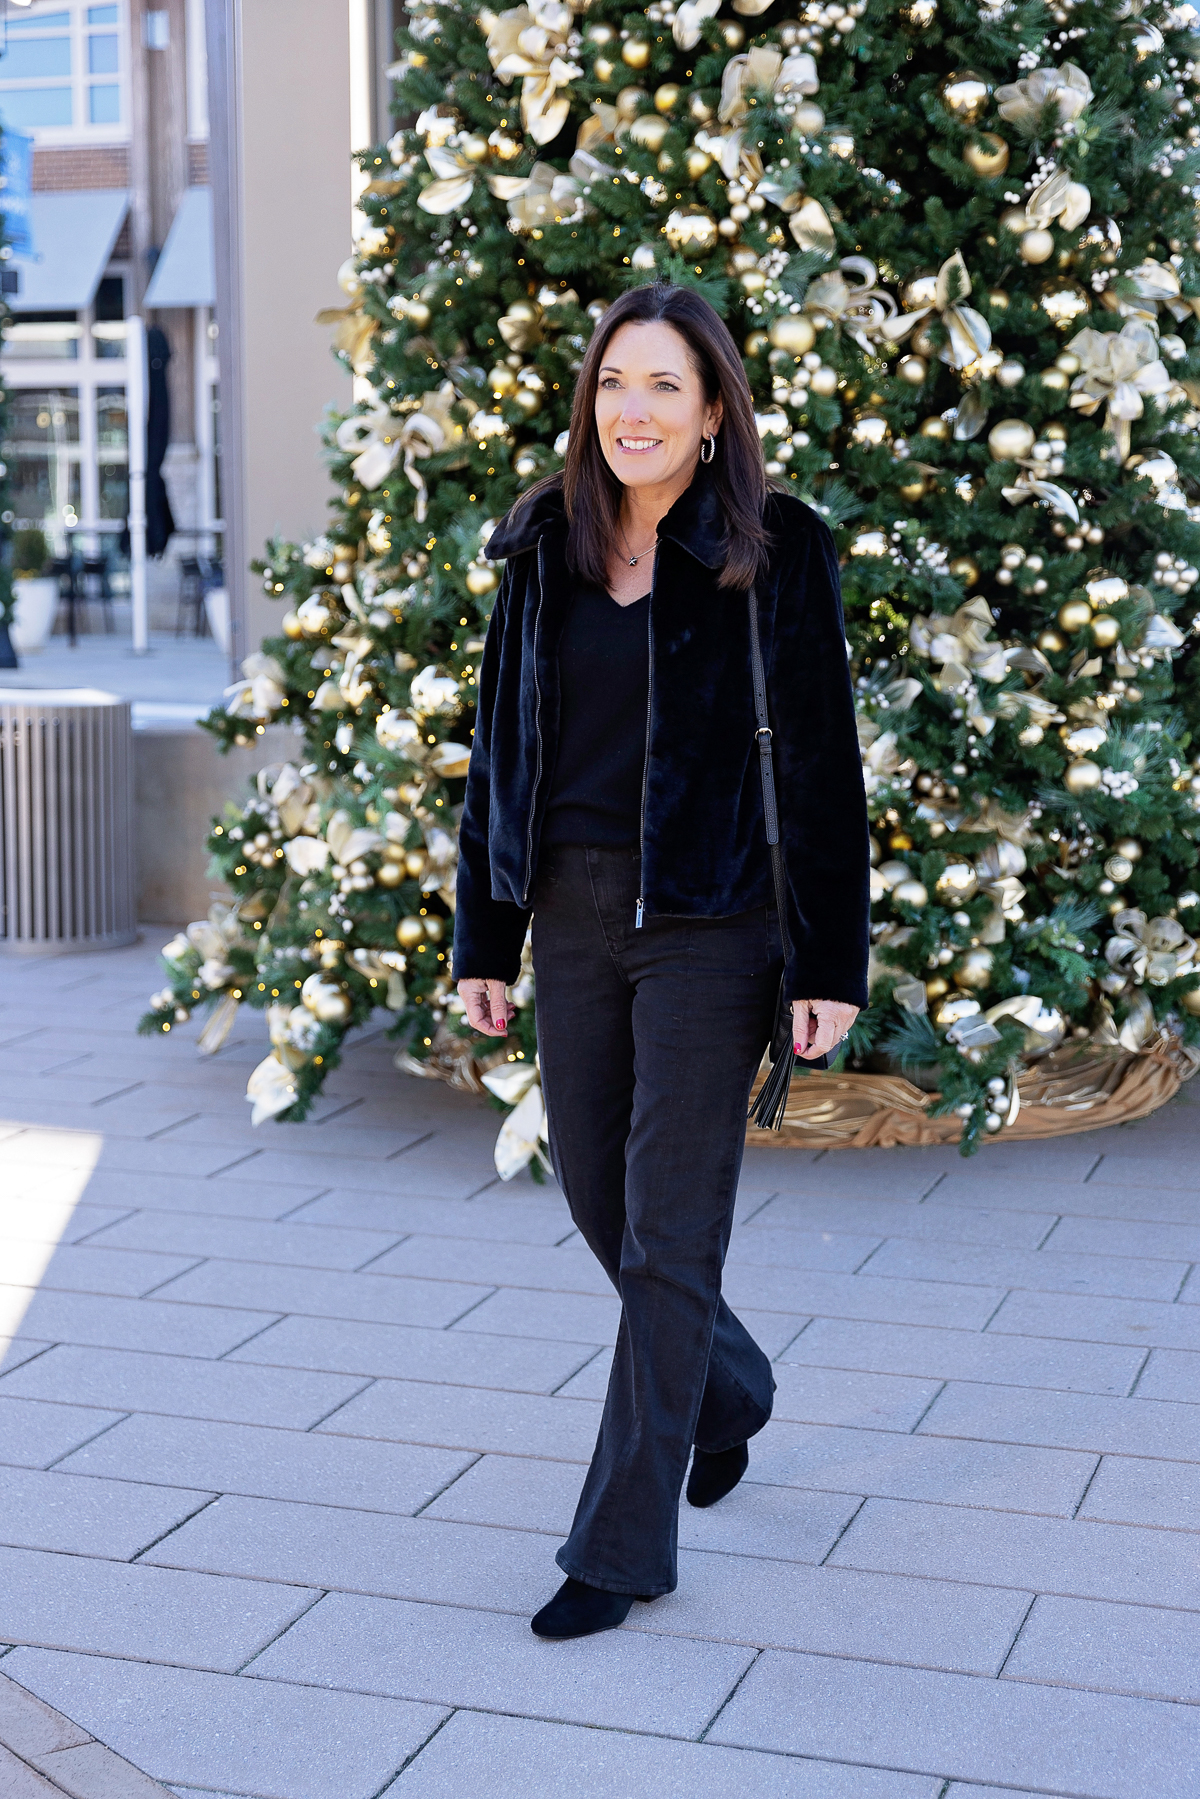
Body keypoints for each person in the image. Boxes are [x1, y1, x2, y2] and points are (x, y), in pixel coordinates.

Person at [453, 281, 869, 1639]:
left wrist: (828, 963)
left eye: (665, 388)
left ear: (713, 414)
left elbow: (821, 767)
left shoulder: (773, 548)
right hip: (570, 916)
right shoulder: (544, 542)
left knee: (671, 1229)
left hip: (713, 923)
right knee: (597, 1198)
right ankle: (727, 1391)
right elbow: (499, 755)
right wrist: (485, 934)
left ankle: (620, 1550)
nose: (634, 411)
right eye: (614, 384)